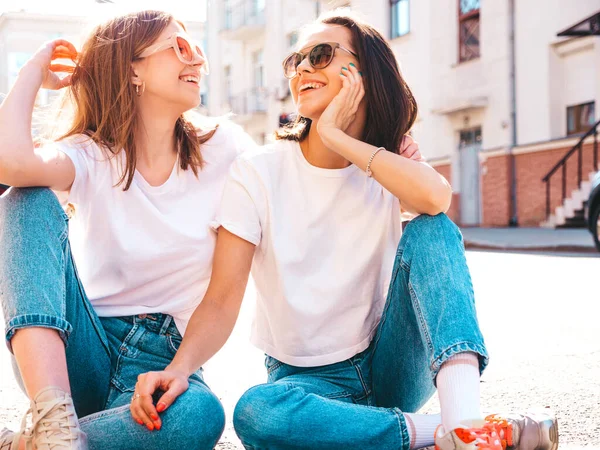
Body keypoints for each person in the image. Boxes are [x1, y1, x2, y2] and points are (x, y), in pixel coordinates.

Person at [132, 10, 559, 450]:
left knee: (433, 231)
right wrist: (180, 369)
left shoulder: (385, 160)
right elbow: (222, 298)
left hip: (389, 364)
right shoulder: (257, 171)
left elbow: (436, 200)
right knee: (256, 412)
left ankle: (465, 416)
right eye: (295, 61)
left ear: (365, 73)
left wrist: (339, 138)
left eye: (320, 55)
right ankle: (453, 432)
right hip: (306, 384)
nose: (302, 69)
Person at [0, 10, 255, 450]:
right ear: (132, 67)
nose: (196, 61)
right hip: (76, 350)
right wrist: (31, 73)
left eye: (197, 50)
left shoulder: (227, 149)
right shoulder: (91, 154)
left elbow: (225, 294)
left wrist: (180, 368)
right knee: (24, 197)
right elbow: (12, 163)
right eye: (179, 47)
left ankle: (41, 443)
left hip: (166, 359)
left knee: (200, 415)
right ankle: (53, 413)